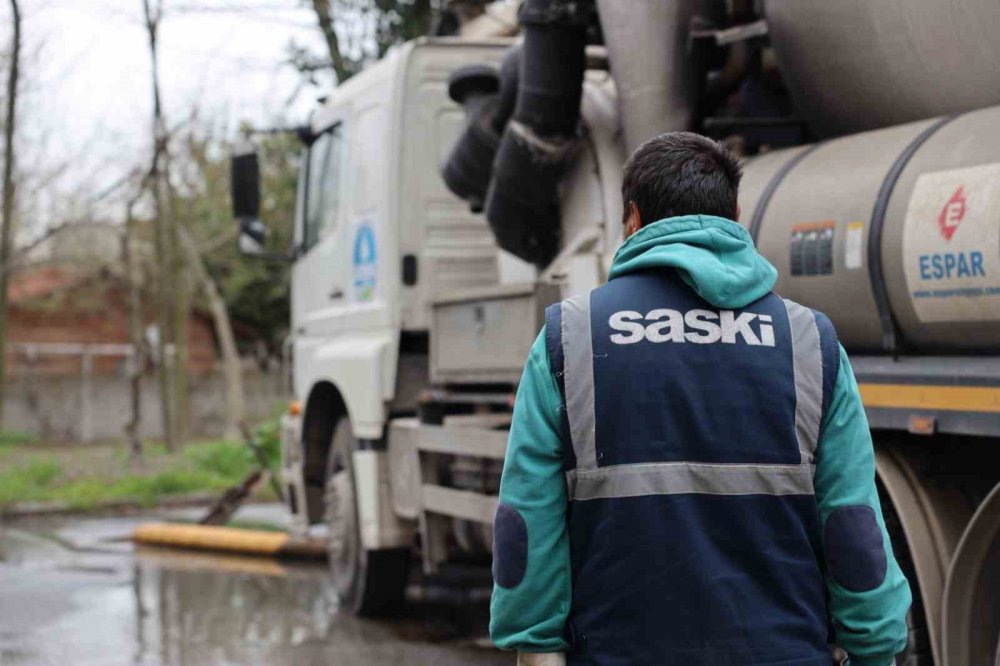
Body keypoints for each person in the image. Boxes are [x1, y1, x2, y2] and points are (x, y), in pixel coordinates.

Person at [489, 132, 912, 666]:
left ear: (633, 219)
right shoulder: (810, 341)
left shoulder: (568, 339)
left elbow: (528, 518)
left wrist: (536, 646)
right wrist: (874, 648)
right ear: (736, 215)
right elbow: (852, 522)